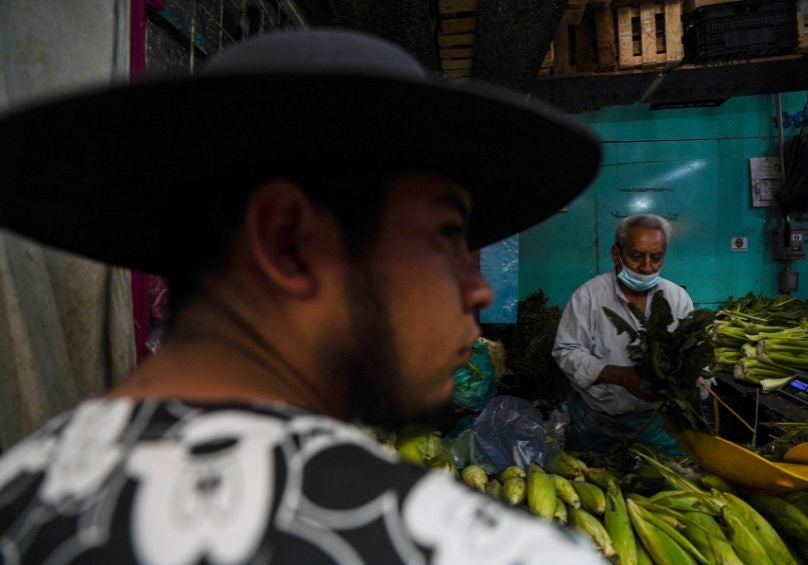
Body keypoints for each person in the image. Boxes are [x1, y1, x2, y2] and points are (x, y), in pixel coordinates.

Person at [0, 30, 607, 563]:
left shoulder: (19, 501)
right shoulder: (477, 549)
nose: (477, 288)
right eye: (447, 234)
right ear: (289, 243)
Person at [552, 214, 693, 455]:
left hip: (658, 421)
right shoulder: (589, 296)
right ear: (616, 254)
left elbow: (691, 353)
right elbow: (567, 352)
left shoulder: (676, 297)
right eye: (636, 256)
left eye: (656, 258)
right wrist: (621, 376)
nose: (647, 267)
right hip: (597, 421)